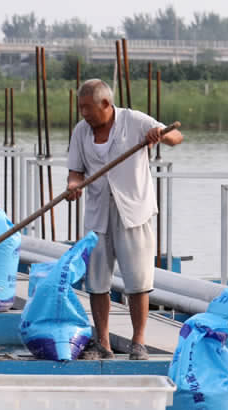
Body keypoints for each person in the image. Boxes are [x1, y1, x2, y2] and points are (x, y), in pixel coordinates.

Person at [62, 79, 183, 361]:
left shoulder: (134, 120)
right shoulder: (81, 132)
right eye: (80, 108)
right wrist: (73, 186)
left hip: (134, 211)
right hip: (98, 213)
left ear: (106, 104)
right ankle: (102, 343)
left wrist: (160, 135)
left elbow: (177, 137)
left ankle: (138, 342)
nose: (83, 114)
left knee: (138, 280)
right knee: (96, 281)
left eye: (87, 108)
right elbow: (75, 171)